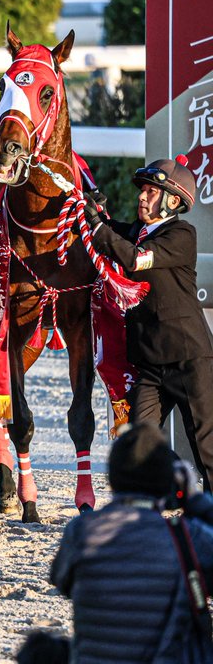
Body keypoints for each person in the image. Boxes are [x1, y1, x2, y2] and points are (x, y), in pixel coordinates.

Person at [85, 157, 213, 482]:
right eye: (143, 190)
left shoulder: (182, 234)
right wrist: (93, 212)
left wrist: (98, 227)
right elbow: (112, 232)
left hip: (188, 359)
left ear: (174, 201)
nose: (142, 196)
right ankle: (170, 489)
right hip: (151, 364)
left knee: (206, 449)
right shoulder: (137, 232)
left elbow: (132, 258)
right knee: (137, 443)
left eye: (151, 192)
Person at [50, 423, 213, 663]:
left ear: (112, 479)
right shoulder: (188, 537)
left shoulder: (81, 531)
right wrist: (196, 501)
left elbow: (61, 581)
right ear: (168, 482)